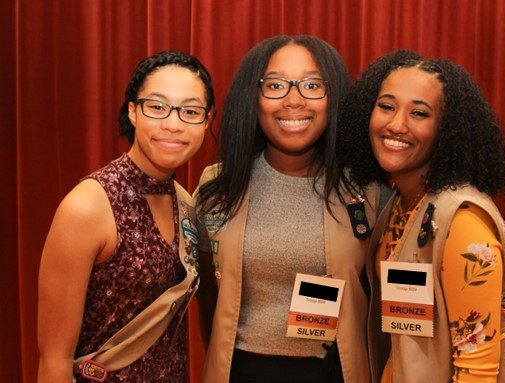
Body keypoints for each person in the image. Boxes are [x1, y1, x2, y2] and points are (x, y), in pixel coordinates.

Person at [336, 50, 505, 382]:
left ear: (447, 129)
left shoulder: (463, 223)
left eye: (419, 113)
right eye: (386, 106)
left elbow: (476, 371)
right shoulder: (401, 204)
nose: (396, 124)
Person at [194, 35, 379, 383]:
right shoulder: (217, 186)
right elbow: (207, 299)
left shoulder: (367, 190)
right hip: (242, 371)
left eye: (312, 85)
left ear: (334, 96)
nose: (294, 100)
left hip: (336, 371)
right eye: (276, 85)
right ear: (254, 97)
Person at [37, 51, 215, 382]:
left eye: (190, 111)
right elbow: (54, 358)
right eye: (157, 107)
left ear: (206, 121)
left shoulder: (186, 203)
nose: (173, 124)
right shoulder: (88, 206)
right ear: (133, 111)